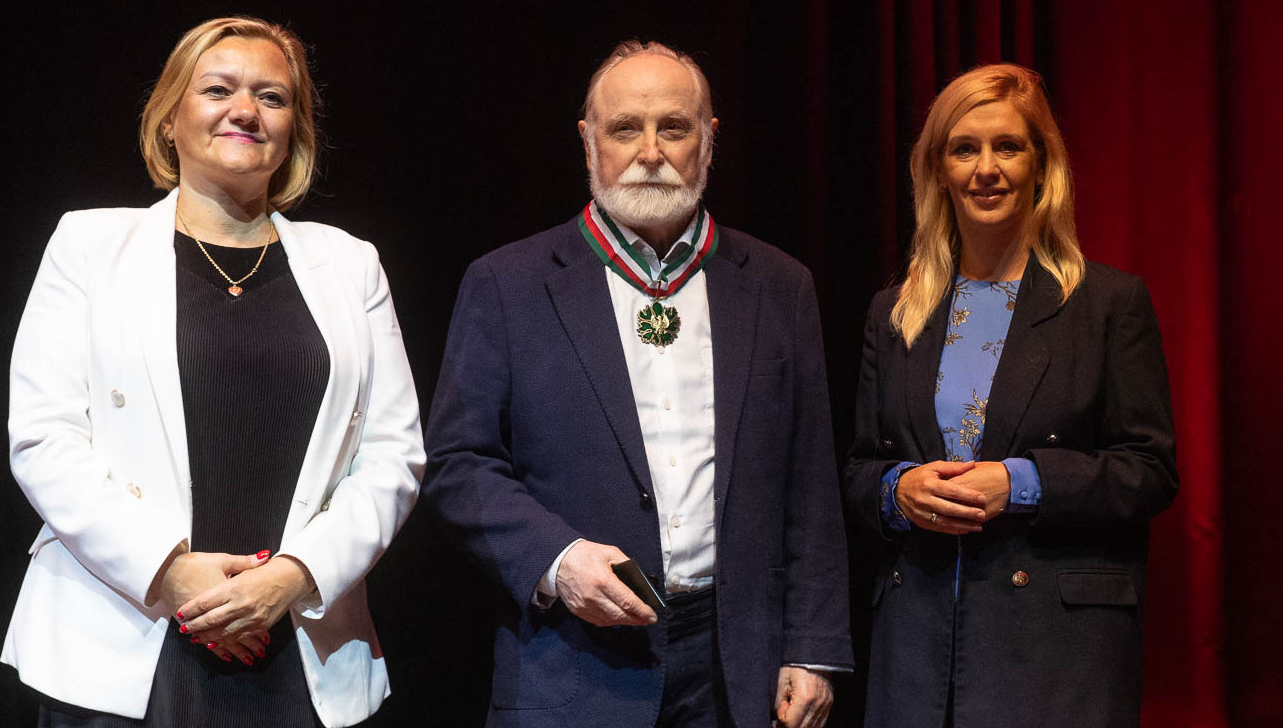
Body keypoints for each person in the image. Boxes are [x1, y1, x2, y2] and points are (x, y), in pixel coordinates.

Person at [1, 16, 424, 727]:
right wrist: (172, 574)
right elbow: (44, 437)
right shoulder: (88, 245)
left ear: (294, 130)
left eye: (272, 97)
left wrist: (292, 578)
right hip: (123, 641)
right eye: (218, 89)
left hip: (301, 646)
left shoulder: (351, 264)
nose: (244, 111)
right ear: (170, 119)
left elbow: (394, 455)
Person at [422, 41, 852, 728]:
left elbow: (810, 483)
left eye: (673, 127)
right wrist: (557, 559)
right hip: (571, 661)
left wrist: (814, 647)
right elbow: (455, 464)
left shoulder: (779, 285)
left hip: (738, 668)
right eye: (626, 128)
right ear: (589, 141)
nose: (650, 150)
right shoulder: (506, 284)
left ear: (708, 142)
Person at [843, 63, 1178, 727]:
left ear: (1041, 166)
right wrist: (896, 492)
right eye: (964, 149)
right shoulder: (895, 311)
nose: (985, 168)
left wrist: (1021, 482)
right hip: (918, 653)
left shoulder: (1108, 304)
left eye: (1008, 147)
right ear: (939, 170)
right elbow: (857, 472)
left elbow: (1149, 472)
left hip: (1057, 656)